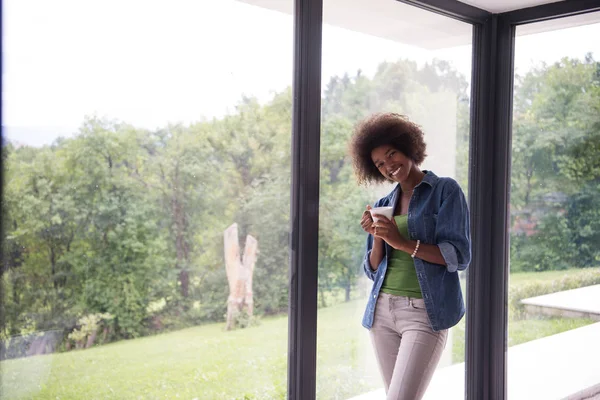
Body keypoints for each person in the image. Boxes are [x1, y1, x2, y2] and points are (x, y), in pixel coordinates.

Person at [349, 113, 471, 400]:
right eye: (380, 163)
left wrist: (403, 242)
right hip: (382, 313)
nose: (389, 166)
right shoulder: (383, 204)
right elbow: (374, 268)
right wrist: (379, 236)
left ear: (408, 148)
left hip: (423, 313)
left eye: (391, 154)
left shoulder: (445, 191)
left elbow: (458, 256)